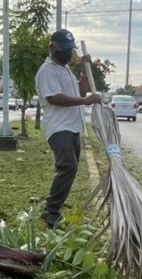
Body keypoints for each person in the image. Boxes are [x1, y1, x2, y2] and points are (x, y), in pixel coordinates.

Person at [34, 29, 101, 228]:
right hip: (59, 127)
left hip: (72, 127)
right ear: (53, 47)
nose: (69, 53)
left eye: (71, 49)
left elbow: (80, 92)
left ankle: (55, 206)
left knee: (70, 168)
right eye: (65, 49)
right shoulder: (47, 71)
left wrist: (85, 73)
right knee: (67, 166)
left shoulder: (65, 70)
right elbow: (54, 98)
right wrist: (85, 101)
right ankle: (51, 211)